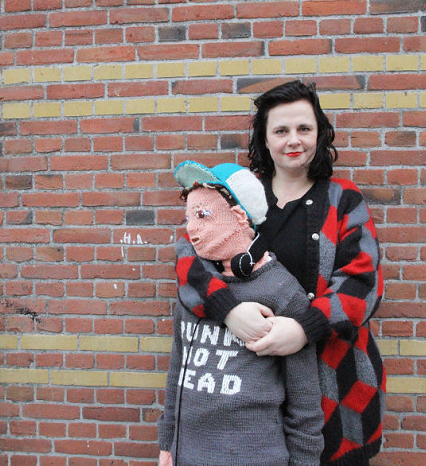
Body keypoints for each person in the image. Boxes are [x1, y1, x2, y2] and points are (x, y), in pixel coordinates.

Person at [172, 80, 386, 465]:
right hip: (248, 392)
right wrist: (228, 310)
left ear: (320, 134)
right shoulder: (237, 193)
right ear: (265, 139)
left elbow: (363, 283)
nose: (294, 140)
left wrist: (305, 328)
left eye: (304, 128)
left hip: (334, 382)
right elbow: (190, 255)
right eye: (281, 130)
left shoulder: (343, 199)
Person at [158, 161, 324, 466]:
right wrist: (167, 444)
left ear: (239, 217)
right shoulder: (193, 287)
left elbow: (305, 401)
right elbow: (176, 371)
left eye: (202, 215)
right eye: (188, 217)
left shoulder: (283, 291)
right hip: (186, 456)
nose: (190, 228)